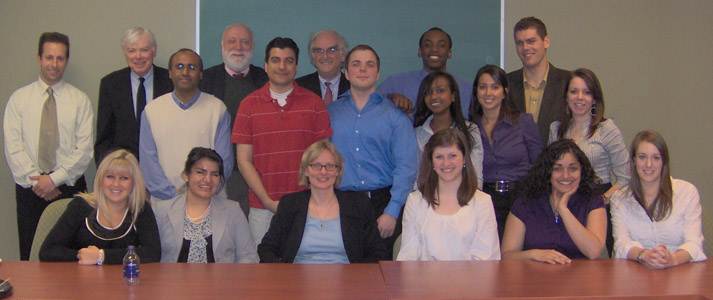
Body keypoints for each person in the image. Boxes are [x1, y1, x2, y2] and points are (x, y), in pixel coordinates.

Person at [232, 37, 332, 245]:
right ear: (266, 66)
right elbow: (243, 161)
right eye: (276, 60)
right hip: (262, 208)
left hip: (308, 205)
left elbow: (324, 159)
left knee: (306, 268)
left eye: (288, 60)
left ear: (296, 67)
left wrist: (306, 200)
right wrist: (268, 202)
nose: (282, 66)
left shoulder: (314, 104)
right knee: (264, 272)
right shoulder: (248, 105)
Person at [4, 32, 93, 260]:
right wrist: (39, 180)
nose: (54, 64)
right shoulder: (19, 99)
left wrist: (54, 179)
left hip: (69, 187)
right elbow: (13, 147)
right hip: (30, 188)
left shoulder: (80, 100)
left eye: (60, 58)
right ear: (39, 59)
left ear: (66, 61)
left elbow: (84, 150)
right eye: (49, 57)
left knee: (71, 255)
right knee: (31, 253)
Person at [329, 45, 419, 259]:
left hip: (383, 204)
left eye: (370, 65)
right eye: (356, 64)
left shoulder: (396, 117)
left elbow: (406, 168)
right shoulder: (329, 114)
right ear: (347, 73)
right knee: (344, 275)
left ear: (377, 73)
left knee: (383, 277)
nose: (363, 69)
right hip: (340, 203)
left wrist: (392, 210)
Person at [259, 140, 387, 263]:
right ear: (306, 171)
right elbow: (267, 249)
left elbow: (377, 252)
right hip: (297, 281)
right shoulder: (290, 204)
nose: (323, 172)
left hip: (347, 281)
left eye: (330, 166)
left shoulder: (359, 205)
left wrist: (356, 279)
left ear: (337, 171)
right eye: (316, 166)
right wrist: (285, 275)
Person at [549, 68, 630, 255]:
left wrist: (602, 200)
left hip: (598, 204)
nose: (580, 97)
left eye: (587, 92)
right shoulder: (556, 130)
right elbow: (551, 170)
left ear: (595, 98)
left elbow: (626, 177)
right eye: (574, 91)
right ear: (566, 97)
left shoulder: (606, 129)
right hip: (565, 203)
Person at [139, 48, 233, 203]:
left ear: (201, 74)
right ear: (170, 73)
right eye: (179, 66)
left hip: (208, 200)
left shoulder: (217, 109)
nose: (185, 72)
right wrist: (173, 194)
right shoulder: (152, 111)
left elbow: (224, 163)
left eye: (191, 67)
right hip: (165, 202)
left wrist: (197, 193)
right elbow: (149, 163)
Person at [39, 150, 160, 264]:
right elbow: (48, 251)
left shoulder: (140, 209)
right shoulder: (80, 206)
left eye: (124, 178)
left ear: (134, 182)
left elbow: (153, 253)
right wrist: (81, 256)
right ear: (100, 179)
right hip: (80, 282)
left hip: (124, 282)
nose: (116, 184)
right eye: (110, 177)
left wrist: (101, 256)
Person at [397, 129, 499, 261]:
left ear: (464, 158)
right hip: (424, 281)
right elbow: (407, 259)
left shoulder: (482, 202)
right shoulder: (415, 201)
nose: (446, 163)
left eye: (452, 156)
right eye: (439, 157)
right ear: (431, 161)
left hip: (471, 281)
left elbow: (486, 260)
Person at [199, 24, 269, 215]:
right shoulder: (204, 81)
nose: (238, 47)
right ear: (222, 45)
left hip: (258, 176)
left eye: (244, 42)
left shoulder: (267, 80)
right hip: (217, 177)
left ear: (253, 47)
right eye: (232, 41)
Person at [611, 130, 706, 268]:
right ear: (634, 160)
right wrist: (644, 255)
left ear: (664, 161)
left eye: (656, 158)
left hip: (680, 272)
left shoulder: (687, 192)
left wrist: (672, 259)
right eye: (642, 157)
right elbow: (621, 243)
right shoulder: (619, 199)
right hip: (635, 274)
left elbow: (694, 243)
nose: (648, 164)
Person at [501, 139, 607, 263]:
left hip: (580, 278)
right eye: (557, 168)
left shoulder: (593, 201)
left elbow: (593, 252)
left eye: (573, 168)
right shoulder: (526, 203)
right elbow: (507, 255)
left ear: (582, 171)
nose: (566, 175)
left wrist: (563, 210)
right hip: (535, 277)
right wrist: (535, 254)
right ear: (548, 171)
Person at [469, 64, 542, 240]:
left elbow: (540, 165)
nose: (488, 93)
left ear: (505, 92)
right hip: (484, 200)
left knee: (517, 257)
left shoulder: (523, 122)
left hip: (520, 198)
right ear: (476, 91)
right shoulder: (470, 128)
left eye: (495, 87)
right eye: (483, 87)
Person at [154, 147, 258, 263]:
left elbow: (249, 256)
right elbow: (152, 257)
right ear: (186, 175)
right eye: (200, 172)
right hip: (173, 280)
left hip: (222, 280)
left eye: (214, 174)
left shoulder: (233, 210)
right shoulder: (162, 210)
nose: (208, 180)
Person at [95, 27, 173, 164]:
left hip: (163, 168)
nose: (138, 56)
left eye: (144, 50)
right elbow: (104, 138)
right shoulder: (110, 84)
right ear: (125, 53)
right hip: (124, 171)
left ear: (154, 51)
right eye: (131, 50)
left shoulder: (171, 82)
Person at [377, 27, 471, 117]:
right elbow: (369, 102)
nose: (434, 49)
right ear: (420, 51)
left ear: (449, 53)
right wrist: (391, 97)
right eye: (428, 45)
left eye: (441, 45)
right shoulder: (396, 83)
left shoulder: (465, 89)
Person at [506, 17, 571, 145]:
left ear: (546, 41)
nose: (525, 47)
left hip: (557, 162)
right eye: (519, 43)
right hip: (520, 164)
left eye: (531, 41)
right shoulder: (506, 84)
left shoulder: (568, 82)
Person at [413, 71, 483, 189]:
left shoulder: (470, 131)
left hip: (463, 201)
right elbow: (416, 179)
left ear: (453, 95)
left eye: (440, 90)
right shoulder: (416, 134)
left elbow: (475, 178)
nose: (434, 96)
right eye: (428, 92)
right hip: (426, 202)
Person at [295, 29, 350, 104]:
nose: (325, 56)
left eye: (332, 50)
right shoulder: (298, 87)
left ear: (343, 55)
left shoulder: (353, 87)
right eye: (319, 51)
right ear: (313, 58)